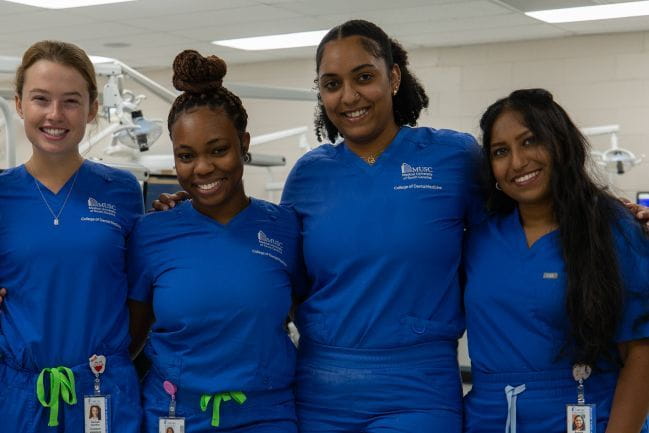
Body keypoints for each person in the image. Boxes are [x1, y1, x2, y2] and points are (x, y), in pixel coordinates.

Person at [278, 20, 484, 432]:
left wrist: (608, 212)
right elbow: (284, 280)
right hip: (321, 389)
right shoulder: (308, 176)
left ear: (393, 77)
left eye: (364, 77)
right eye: (332, 84)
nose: (349, 96)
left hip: (419, 388)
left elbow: (512, 236)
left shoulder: (453, 158)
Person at [127, 50, 305, 433]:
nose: (203, 168)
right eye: (186, 156)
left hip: (266, 416)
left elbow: (312, 318)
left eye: (218, 150)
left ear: (244, 143)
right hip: (175, 415)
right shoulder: (151, 233)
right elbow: (128, 341)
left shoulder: (284, 228)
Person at [463, 88, 649, 433]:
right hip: (488, 418)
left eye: (530, 141)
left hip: (586, 414)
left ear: (561, 143)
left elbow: (641, 355)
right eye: (500, 151)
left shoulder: (613, 230)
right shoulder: (478, 236)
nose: (517, 162)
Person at [0, 40, 144, 432]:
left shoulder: (123, 191)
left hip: (104, 389)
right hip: (19, 396)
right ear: (18, 104)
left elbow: (142, 293)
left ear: (92, 108)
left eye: (70, 101)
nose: (54, 115)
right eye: (40, 99)